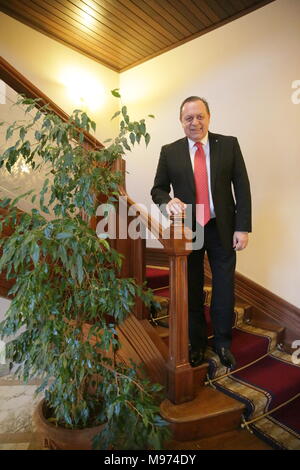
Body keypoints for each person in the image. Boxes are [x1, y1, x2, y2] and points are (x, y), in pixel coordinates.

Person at [151, 96, 251, 369]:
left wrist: (242, 227)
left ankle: (221, 343)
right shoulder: (169, 151)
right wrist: (166, 202)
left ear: (208, 117)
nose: (194, 122)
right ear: (181, 122)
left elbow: (241, 187)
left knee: (224, 288)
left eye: (199, 116)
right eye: (188, 118)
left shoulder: (228, 144)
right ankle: (196, 344)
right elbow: (157, 189)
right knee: (191, 288)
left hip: (222, 227)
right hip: (189, 230)